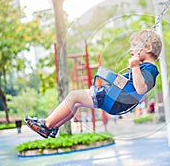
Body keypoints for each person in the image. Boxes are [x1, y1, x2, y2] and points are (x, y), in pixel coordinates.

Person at [25, 29, 162, 138]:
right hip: (115, 98)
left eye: (134, 46)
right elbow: (128, 84)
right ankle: (53, 127)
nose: (131, 50)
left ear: (148, 47)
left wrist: (135, 67)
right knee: (76, 103)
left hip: (112, 98)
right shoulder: (145, 68)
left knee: (73, 97)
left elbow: (140, 89)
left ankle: (47, 124)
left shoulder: (150, 69)